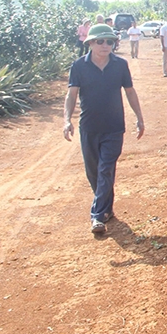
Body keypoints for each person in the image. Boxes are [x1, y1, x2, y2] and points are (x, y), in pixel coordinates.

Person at [62, 24, 145, 234]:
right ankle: (106, 208)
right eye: (100, 41)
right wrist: (66, 120)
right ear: (89, 43)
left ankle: (97, 216)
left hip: (114, 127)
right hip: (89, 127)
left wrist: (139, 117)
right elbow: (71, 95)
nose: (105, 45)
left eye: (109, 41)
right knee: (94, 173)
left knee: (105, 168)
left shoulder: (120, 65)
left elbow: (130, 92)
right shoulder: (79, 66)